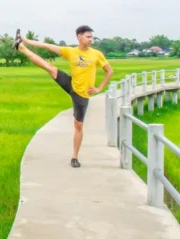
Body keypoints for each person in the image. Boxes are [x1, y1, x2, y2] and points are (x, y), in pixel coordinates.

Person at [14, 25, 113, 168]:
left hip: (82, 94)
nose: (91, 39)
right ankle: (21, 47)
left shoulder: (96, 54)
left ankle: (74, 157)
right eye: (88, 37)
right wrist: (26, 41)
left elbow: (109, 71)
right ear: (79, 37)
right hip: (71, 83)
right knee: (49, 67)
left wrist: (99, 88)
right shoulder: (70, 51)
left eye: (91, 37)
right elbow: (47, 46)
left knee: (78, 125)